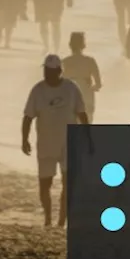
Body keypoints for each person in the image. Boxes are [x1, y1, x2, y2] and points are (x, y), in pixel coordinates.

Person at [21, 54, 91, 228]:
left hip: (69, 142)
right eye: (45, 70)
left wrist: (88, 137)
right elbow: (28, 116)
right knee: (45, 183)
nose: (47, 74)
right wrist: (24, 139)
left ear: (60, 71)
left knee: (68, 183)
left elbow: (82, 113)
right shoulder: (38, 90)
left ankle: (61, 221)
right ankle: (47, 218)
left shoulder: (71, 88)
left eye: (51, 71)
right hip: (46, 143)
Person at [61, 33, 101, 123]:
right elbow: (98, 83)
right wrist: (93, 88)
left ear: (70, 45)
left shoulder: (65, 62)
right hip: (86, 95)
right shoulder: (90, 61)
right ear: (83, 45)